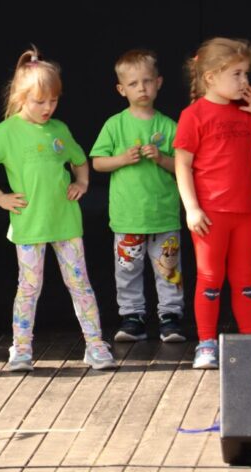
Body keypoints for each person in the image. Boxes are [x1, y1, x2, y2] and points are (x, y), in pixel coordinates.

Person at [0, 47, 115, 372]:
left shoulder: (59, 130)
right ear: (22, 97)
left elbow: (80, 160)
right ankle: (21, 350)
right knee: (28, 288)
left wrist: (82, 182)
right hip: (30, 225)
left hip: (65, 222)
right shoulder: (6, 131)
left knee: (80, 284)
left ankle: (95, 345)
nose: (48, 107)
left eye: (53, 100)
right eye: (40, 101)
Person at [175, 37, 251, 369]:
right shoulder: (194, 115)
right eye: (237, 74)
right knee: (209, 278)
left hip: (247, 212)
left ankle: (249, 342)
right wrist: (192, 208)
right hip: (211, 215)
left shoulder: (246, 112)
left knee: (245, 279)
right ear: (210, 77)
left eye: (246, 73)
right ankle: (206, 343)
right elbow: (182, 164)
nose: (244, 81)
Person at [90, 49, 185, 343]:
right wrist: (121, 159)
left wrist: (161, 158)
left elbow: (183, 167)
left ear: (159, 83)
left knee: (168, 268)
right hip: (128, 216)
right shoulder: (114, 124)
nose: (141, 88)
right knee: (127, 270)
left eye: (147, 81)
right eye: (133, 84)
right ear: (122, 90)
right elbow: (97, 162)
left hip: (163, 214)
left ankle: (170, 317)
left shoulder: (169, 125)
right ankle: (132, 317)